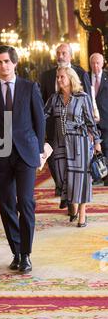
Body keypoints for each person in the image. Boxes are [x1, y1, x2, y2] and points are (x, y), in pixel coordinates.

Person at [0, 45, 45, 274]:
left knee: (25, 202)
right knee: (6, 205)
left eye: (7, 61)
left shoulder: (29, 87)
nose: (3, 66)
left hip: (26, 153)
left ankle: (26, 254)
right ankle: (16, 251)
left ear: (15, 63)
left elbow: (40, 120)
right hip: (0, 155)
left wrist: (39, 151)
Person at [44, 66, 101, 227]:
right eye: (58, 77)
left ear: (70, 78)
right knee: (63, 179)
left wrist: (96, 142)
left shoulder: (82, 97)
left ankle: (82, 213)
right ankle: (73, 205)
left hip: (80, 144)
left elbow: (90, 122)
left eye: (62, 77)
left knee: (81, 179)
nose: (59, 80)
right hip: (60, 144)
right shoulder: (54, 98)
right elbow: (42, 114)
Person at [40, 43, 91, 198]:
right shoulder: (47, 75)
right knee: (56, 162)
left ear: (70, 55)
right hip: (53, 128)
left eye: (63, 53)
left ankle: (70, 198)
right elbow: (43, 103)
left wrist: (91, 132)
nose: (60, 56)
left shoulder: (81, 73)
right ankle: (62, 187)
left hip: (75, 132)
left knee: (74, 166)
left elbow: (87, 101)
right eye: (58, 53)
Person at [89, 52, 108, 186]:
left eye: (98, 63)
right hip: (90, 119)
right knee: (91, 149)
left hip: (106, 119)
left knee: (106, 147)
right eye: (93, 63)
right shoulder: (84, 77)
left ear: (103, 63)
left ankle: (106, 177)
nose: (95, 65)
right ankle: (96, 176)